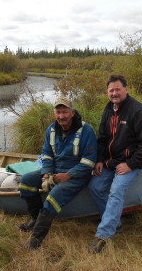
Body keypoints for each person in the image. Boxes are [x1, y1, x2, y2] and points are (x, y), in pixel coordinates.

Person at [87, 74, 142, 253]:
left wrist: (131, 164)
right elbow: (102, 138)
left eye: (118, 89)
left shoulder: (137, 111)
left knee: (116, 192)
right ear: (107, 92)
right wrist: (100, 160)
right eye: (111, 90)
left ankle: (103, 236)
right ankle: (115, 223)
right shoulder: (109, 109)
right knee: (95, 187)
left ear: (126, 89)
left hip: (129, 163)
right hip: (111, 162)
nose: (114, 93)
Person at [18, 97, 97, 250]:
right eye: (58, 112)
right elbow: (46, 155)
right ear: (55, 113)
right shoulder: (51, 130)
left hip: (77, 176)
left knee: (52, 198)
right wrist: (46, 174)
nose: (61, 116)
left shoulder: (86, 130)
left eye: (65, 112)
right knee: (26, 181)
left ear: (72, 113)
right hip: (54, 172)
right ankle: (36, 219)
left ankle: (35, 242)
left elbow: (89, 161)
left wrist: (68, 175)